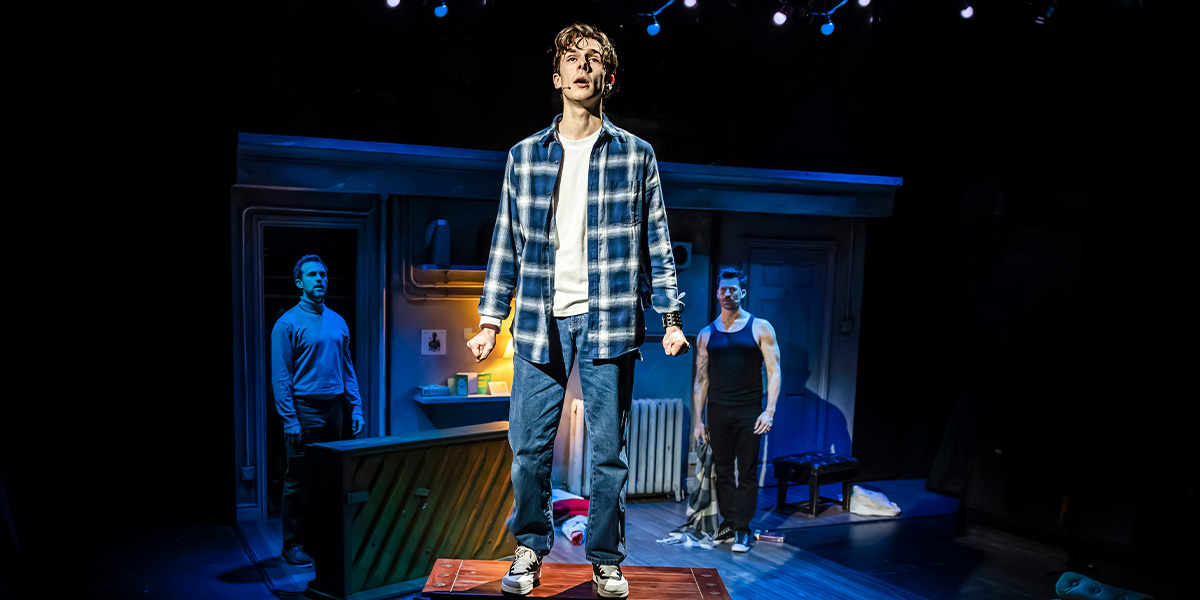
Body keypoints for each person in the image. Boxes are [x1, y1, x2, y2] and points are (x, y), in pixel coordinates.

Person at [466, 23, 689, 599]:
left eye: (594, 60)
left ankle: (606, 558)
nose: (583, 67)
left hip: (609, 317)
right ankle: (528, 548)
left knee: (608, 451)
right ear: (557, 76)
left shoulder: (636, 155)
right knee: (529, 446)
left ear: (607, 78)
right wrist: (491, 319)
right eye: (573, 59)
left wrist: (669, 318)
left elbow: (656, 241)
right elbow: (504, 241)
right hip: (541, 318)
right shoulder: (524, 156)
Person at [271, 254, 366, 568]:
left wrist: (356, 409)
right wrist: (289, 419)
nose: (319, 280)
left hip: (335, 408)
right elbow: (281, 376)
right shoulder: (287, 324)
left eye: (323, 275)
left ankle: (321, 541)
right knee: (298, 479)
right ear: (299, 282)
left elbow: (347, 369)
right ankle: (293, 545)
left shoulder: (337, 321)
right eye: (312, 275)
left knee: (330, 478)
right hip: (304, 410)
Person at [691, 267, 781, 553]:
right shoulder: (706, 334)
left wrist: (770, 411)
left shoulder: (760, 327)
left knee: (748, 470)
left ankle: (743, 527)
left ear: (742, 292)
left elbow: (774, 371)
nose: (728, 294)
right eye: (723, 289)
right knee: (724, 470)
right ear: (717, 293)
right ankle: (729, 521)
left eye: (733, 289)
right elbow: (701, 379)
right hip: (718, 411)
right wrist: (698, 421)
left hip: (749, 411)